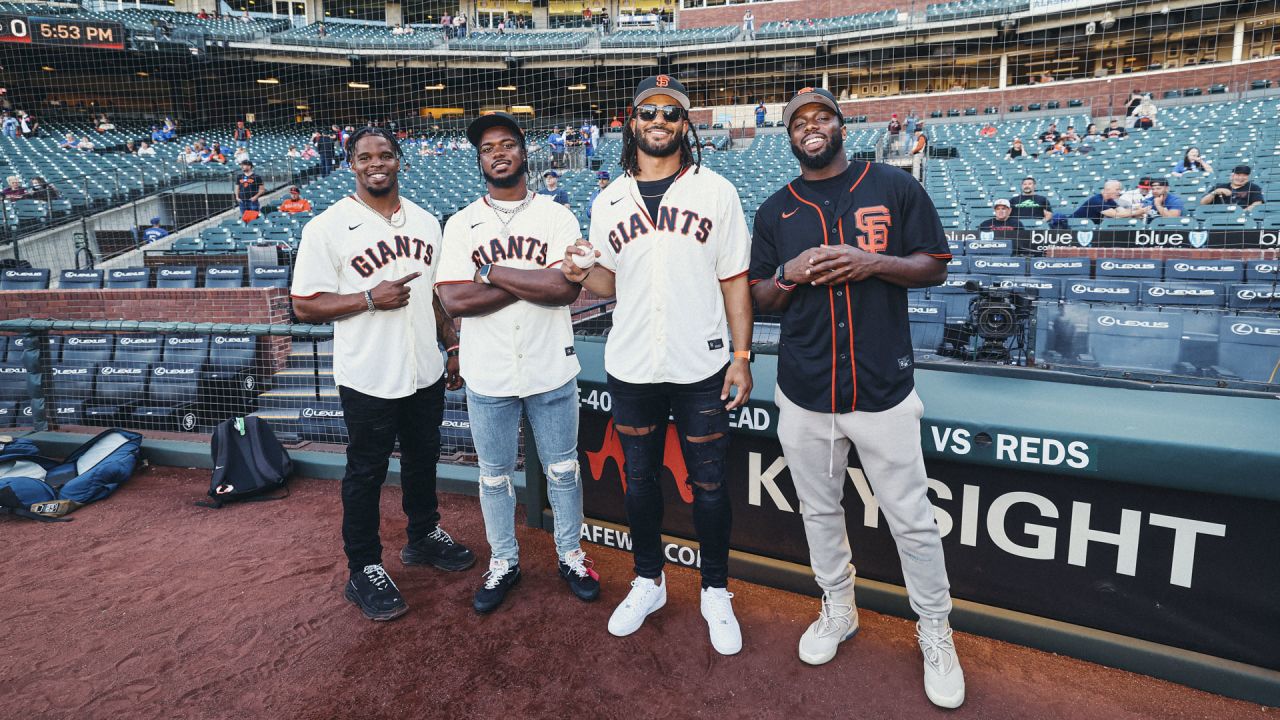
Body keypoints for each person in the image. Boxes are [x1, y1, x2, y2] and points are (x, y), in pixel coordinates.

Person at [748, 87, 964, 709]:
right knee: (819, 511)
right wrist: (791, 274)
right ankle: (838, 608)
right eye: (798, 123)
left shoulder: (893, 185)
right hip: (806, 387)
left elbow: (935, 265)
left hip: (883, 386)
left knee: (913, 522)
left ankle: (935, 630)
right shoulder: (775, 210)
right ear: (788, 137)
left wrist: (870, 263)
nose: (810, 128)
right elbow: (761, 298)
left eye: (821, 118)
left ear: (842, 126)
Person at [562, 74, 753, 656]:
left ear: (685, 125)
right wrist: (577, 273)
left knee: (711, 484)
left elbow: (735, 281)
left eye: (672, 113)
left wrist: (742, 357)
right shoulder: (607, 198)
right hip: (634, 362)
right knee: (639, 479)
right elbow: (607, 282)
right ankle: (650, 580)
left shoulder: (715, 190)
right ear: (632, 119)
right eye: (650, 111)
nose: (660, 121)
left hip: (701, 363)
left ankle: (715, 590)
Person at [290, 126, 475, 622]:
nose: (377, 163)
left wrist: (451, 342)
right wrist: (369, 298)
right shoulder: (326, 227)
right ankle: (364, 567)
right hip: (368, 374)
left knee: (423, 458)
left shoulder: (425, 221)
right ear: (351, 164)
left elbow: (436, 295)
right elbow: (304, 306)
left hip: (424, 370)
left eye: (386, 155)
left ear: (400, 161)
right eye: (365, 156)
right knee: (366, 472)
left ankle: (422, 535)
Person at [435, 112, 599, 614]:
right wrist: (524, 280)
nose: (498, 153)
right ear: (480, 160)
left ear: (524, 152)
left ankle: (570, 554)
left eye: (507, 144)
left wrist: (488, 273)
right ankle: (503, 561)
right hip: (488, 372)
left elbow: (563, 289)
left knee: (565, 470)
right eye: (488, 148)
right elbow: (453, 301)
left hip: (551, 365)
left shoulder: (556, 214)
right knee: (493, 476)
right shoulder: (462, 222)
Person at [1200, 165, 1265, 210]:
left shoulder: (1253, 187)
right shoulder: (1219, 186)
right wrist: (1215, 192)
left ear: (1249, 177)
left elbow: (1258, 203)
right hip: (1218, 215)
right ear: (1231, 176)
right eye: (1238, 175)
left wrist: (1242, 213)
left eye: (1244, 175)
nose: (1240, 178)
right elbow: (1203, 203)